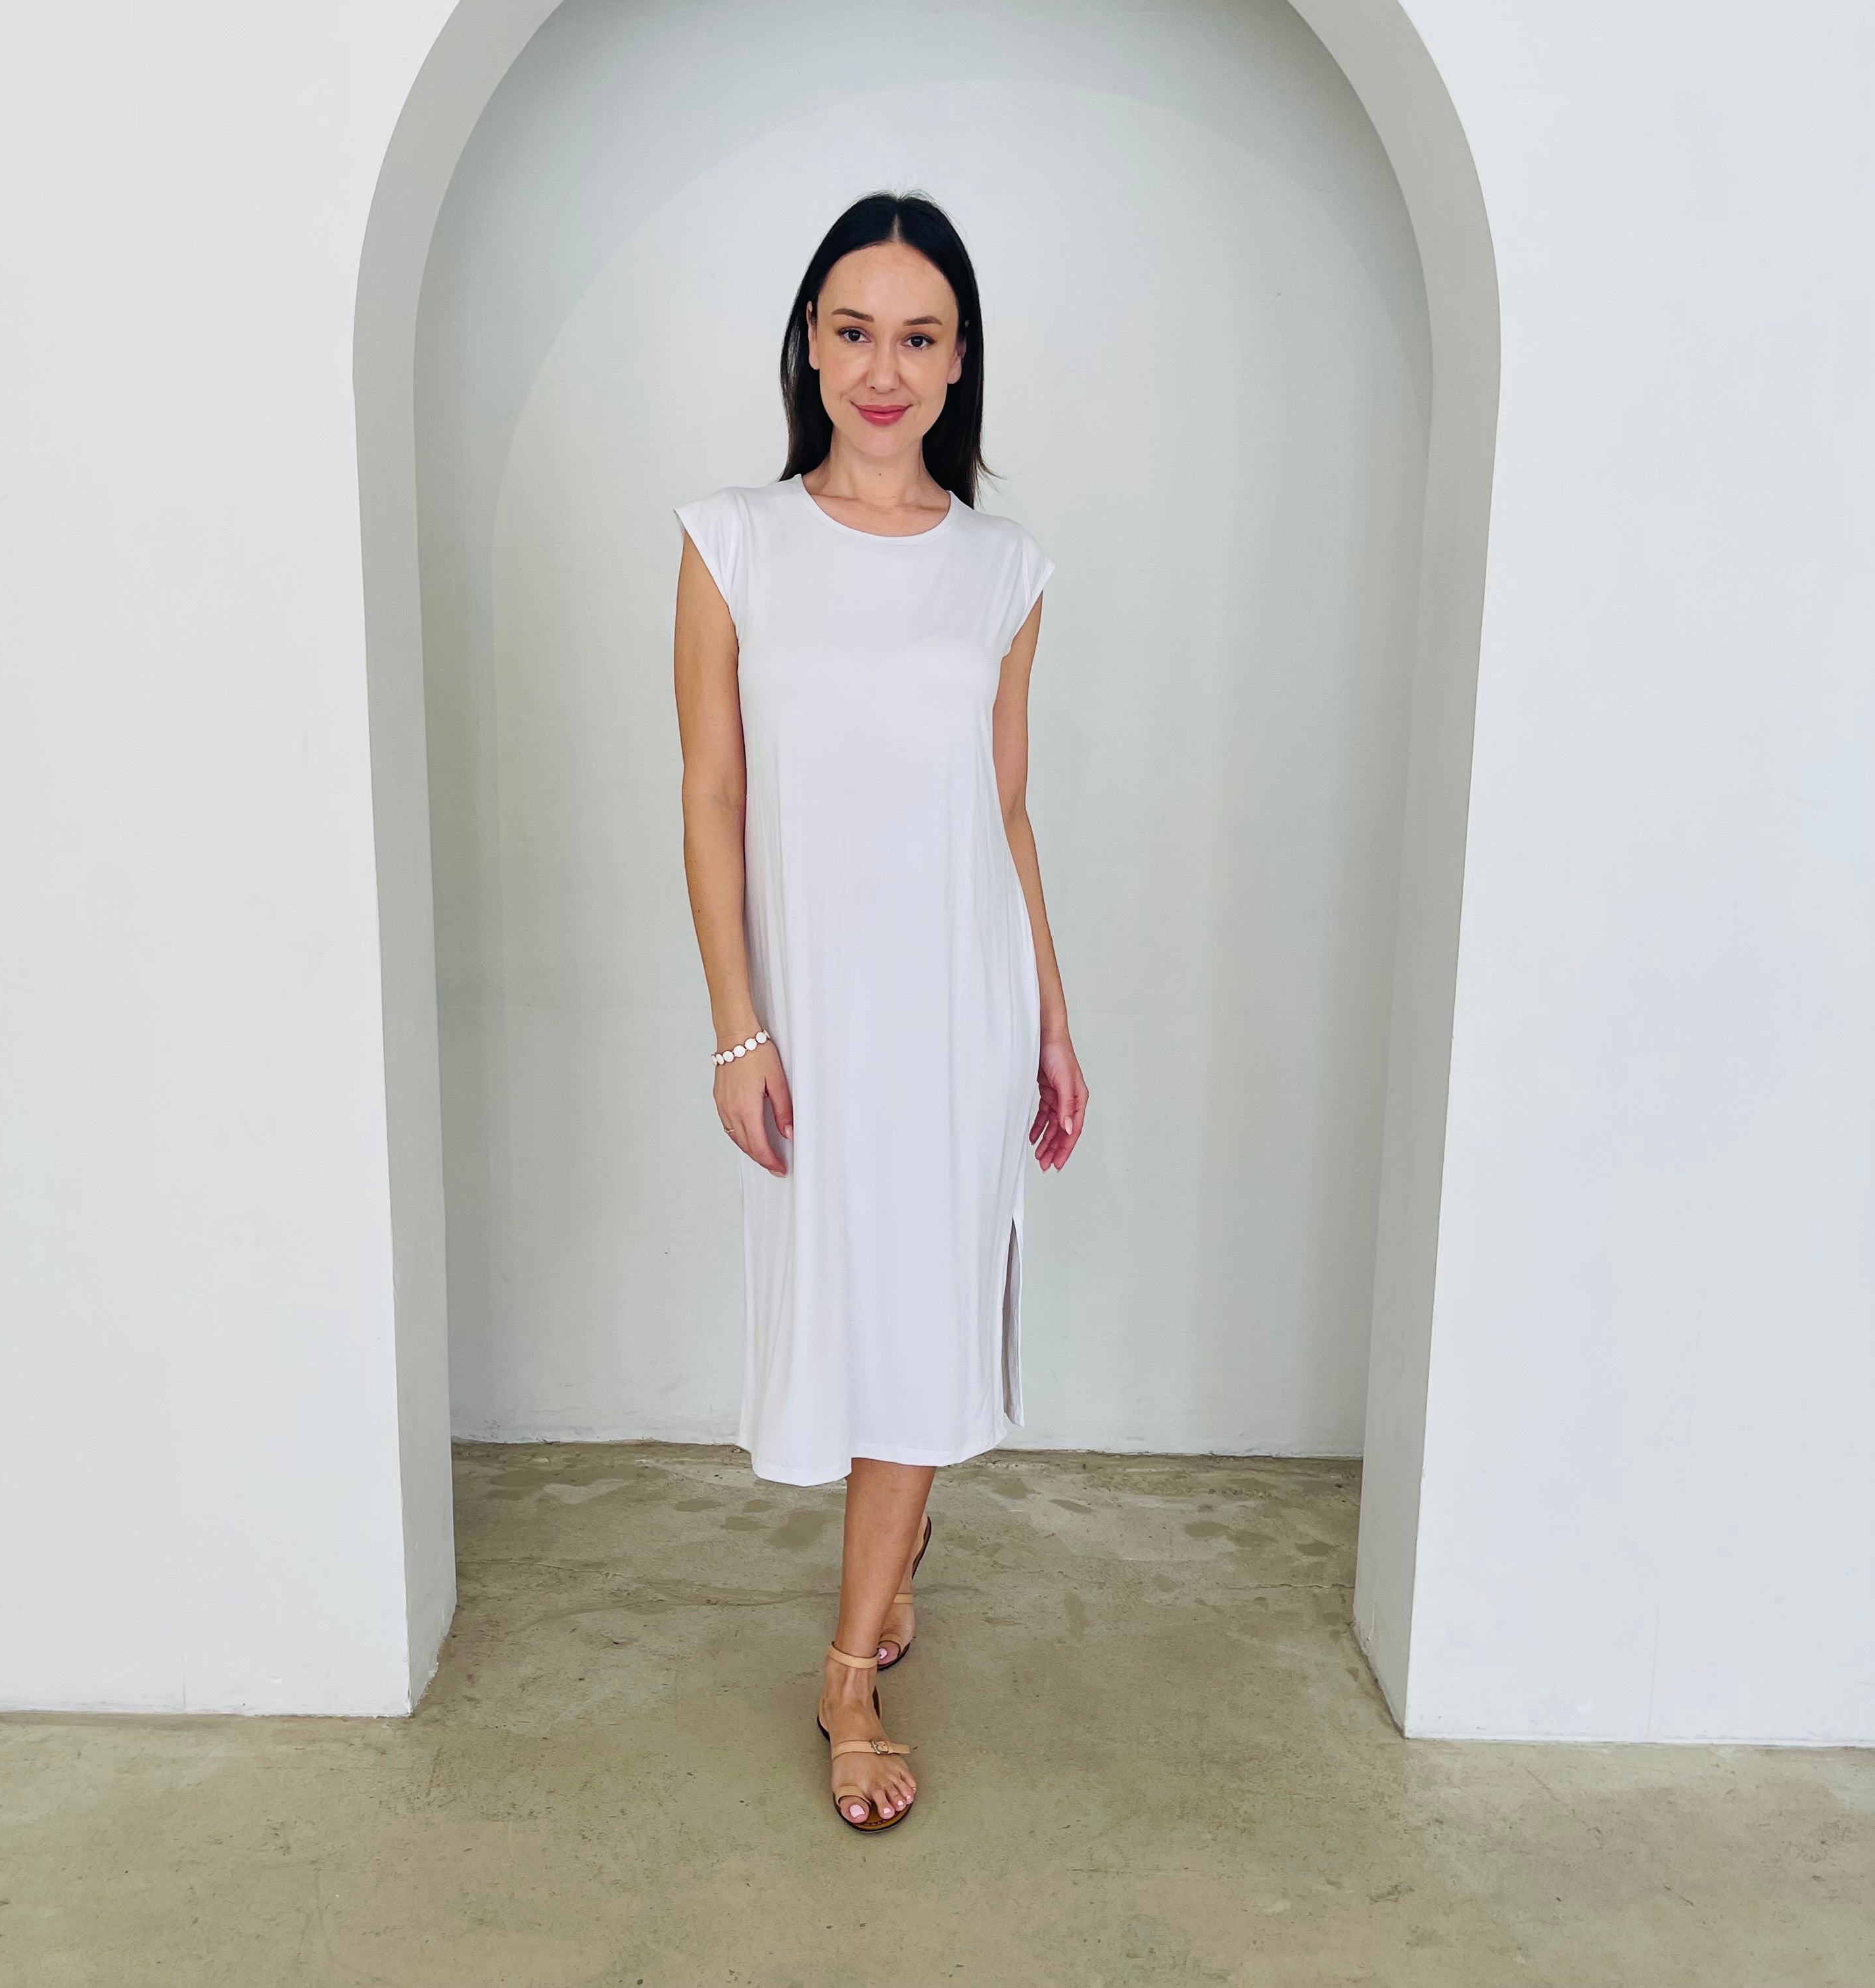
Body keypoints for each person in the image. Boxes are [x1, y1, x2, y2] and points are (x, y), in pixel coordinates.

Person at [671, 191, 1087, 1832]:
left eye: (921, 336)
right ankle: (894, 1538)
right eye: (856, 330)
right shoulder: (732, 541)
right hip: (817, 1020)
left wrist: (1052, 1021)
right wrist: (736, 1025)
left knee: (919, 1319)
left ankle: (846, 1679)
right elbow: (711, 794)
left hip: (961, 1007)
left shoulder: (1007, 570)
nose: (885, 367)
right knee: (845, 1317)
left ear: (961, 357)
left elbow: (1009, 814)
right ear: (810, 342)